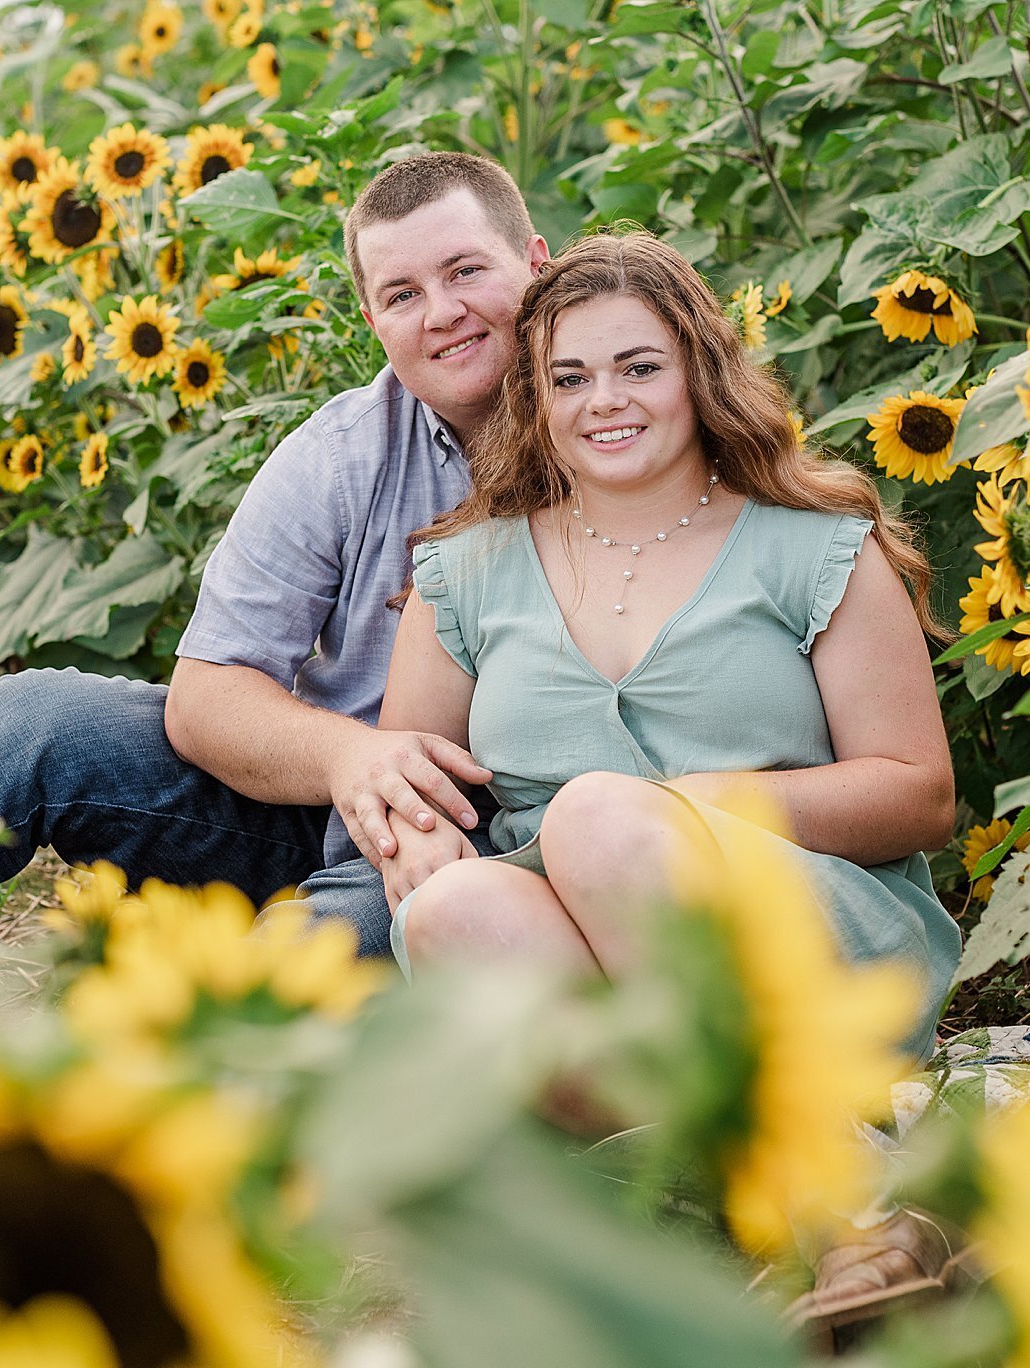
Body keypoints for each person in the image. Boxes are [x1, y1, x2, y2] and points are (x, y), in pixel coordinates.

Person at [0, 153, 549, 949]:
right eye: (403, 294)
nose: (442, 312)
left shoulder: (620, 425)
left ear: (535, 263)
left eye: (465, 271)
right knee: (31, 720)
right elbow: (209, 694)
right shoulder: (343, 454)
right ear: (371, 320)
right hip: (319, 802)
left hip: (495, 841)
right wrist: (350, 756)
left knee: (306, 960)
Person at [376, 228, 961, 1045]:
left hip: (800, 941)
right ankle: (687, 1150)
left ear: (699, 373)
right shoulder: (464, 573)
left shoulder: (813, 545)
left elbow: (921, 797)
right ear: (535, 399)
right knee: (453, 909)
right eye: (569, 378)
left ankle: (780, 1104)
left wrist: (688, 807)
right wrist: (416, 837)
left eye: (640, 368)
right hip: (574, 955)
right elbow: (406, 778)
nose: (604, 400)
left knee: (596, 819)